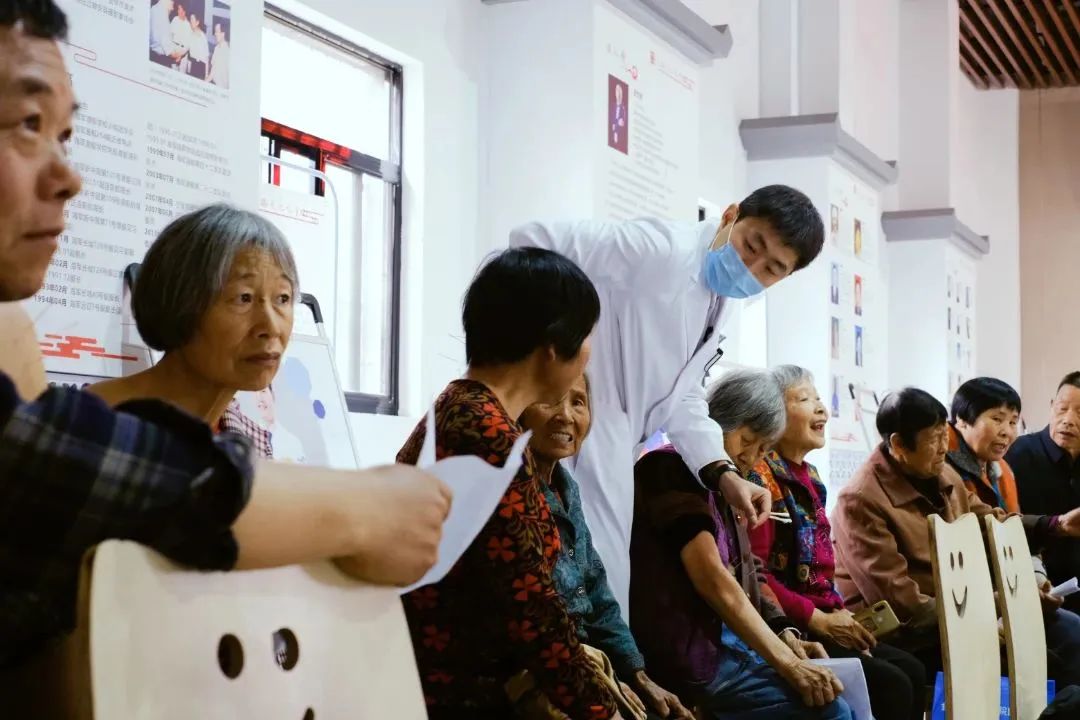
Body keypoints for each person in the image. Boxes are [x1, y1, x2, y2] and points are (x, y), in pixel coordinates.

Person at [0, 0, 450, 671]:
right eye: (29, 125)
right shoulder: (81, 414)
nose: (69, 178)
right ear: (183, 302)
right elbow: (78, 470)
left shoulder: (247, 435)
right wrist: (364, 508)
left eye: (284, 300)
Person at [510, 185, 825, 615]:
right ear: (730, 216)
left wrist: (724, 475)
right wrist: (560, 359)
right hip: (577, 425)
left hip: (617, 441)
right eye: (751, 245)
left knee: (601, 582)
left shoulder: (724, 303)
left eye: (771, 268)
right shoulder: (659, 249)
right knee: (575, 581)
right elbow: (531, 237)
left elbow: (682, 394)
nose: (751, 267)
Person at [397, 248, 619, 719]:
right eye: (585, 339)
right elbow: (533, 614)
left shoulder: (460, 408)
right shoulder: (490, 436)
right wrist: (603, 711)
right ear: (553, 346)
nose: (587, 356)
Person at [631, 369, 850, 720]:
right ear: (718, 422)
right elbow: (713, 578)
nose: (752, 457)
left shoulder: (729, 483)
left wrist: (784, 634)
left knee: (841, 694)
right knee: (831, 711)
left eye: (763, 449)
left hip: (726, 642)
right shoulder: (669, 467)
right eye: (747, 440)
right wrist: (788, 663)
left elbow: (751, 570)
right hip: (693, 649)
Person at [831, 388, 1080, 685]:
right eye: (933, 440)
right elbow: (904, 605)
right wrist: (996, 606)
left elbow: (992, 522)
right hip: (910, 632)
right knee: (1041, 662)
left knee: (1068, 635)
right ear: (898, 444)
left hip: (962, 611)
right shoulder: (860, 500)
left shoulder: (941, 474)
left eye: (943, 436)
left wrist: (1056, 526)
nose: (943, 448)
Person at [747, 366, 925, 720]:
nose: (821, 410)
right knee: (893, 684)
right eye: (804, 399)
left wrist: (837, 613)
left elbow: (820, 571)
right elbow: (756, 577)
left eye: (818, 399)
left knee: (912, 671)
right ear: (772, 414)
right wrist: (819, 620)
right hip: (790, 625)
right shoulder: (758, 478)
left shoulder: (810, 476)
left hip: (827, 616)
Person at [518, 375, 692, 720]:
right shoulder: (515, 493)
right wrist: (598, 681)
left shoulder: (566, 488)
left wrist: (637, 674)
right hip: (550, 671)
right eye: (550, 399)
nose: (566, 415)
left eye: (578, 402)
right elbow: (534, 620)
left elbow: (596, 589)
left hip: (590, 662)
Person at [88, 204, 294, 459]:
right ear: (179, 302)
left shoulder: (250, 444)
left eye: (283, 298)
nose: (271, 328)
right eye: (244, 298)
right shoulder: (95, 424)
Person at [1007, 372, 1080, 613]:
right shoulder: (1017, 455)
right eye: (1062, 409)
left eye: (1079, 412)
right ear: (1051, 407)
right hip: (1033, 587)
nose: (1068, 420)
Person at [148, 0, 181, 67]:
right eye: (172, 1)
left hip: (153, 55)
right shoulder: (162, 13)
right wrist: (176, 55)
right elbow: (166, 44)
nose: (173, 3)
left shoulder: (154, 9)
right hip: (160, 59)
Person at [186, 11, 210, 80]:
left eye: (192, 20)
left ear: (197, 22)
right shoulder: (191, 33)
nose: (190, 22)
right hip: (192, 64)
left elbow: (206, 58)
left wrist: (206, 75)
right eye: (190, 19)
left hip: (200, 67)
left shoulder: (202, 37)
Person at [207, 21, 229, 89]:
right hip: (214, 83)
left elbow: (213, 72)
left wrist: (203, 83)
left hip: (221, 87)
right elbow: (213, 66)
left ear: (223, 34)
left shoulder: (225, 50)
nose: (215, 34)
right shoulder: (217, 48)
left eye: (217, 31)